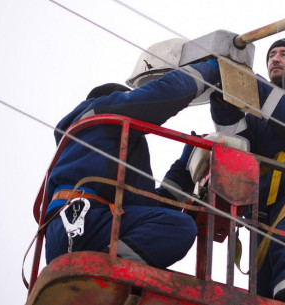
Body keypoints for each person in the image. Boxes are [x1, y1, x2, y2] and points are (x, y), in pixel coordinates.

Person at [44, 39, 220, 270]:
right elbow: (162, 95)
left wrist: (185, 166)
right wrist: (212, 68)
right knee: (179, 228)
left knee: (172, 226)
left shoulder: (98, 152)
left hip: (71, 230)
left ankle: (106, 271)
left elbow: (149, 209)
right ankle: (107, 273)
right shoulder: (104, 109)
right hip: (85, 220)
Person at [210, 38, 285, 305]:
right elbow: (241, 142)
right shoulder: (261, 106)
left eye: (283, 54)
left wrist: (247, 81)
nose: (275, 59)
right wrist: (225, 103)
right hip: (263, 196)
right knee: (262, 275)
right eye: (270, 56)